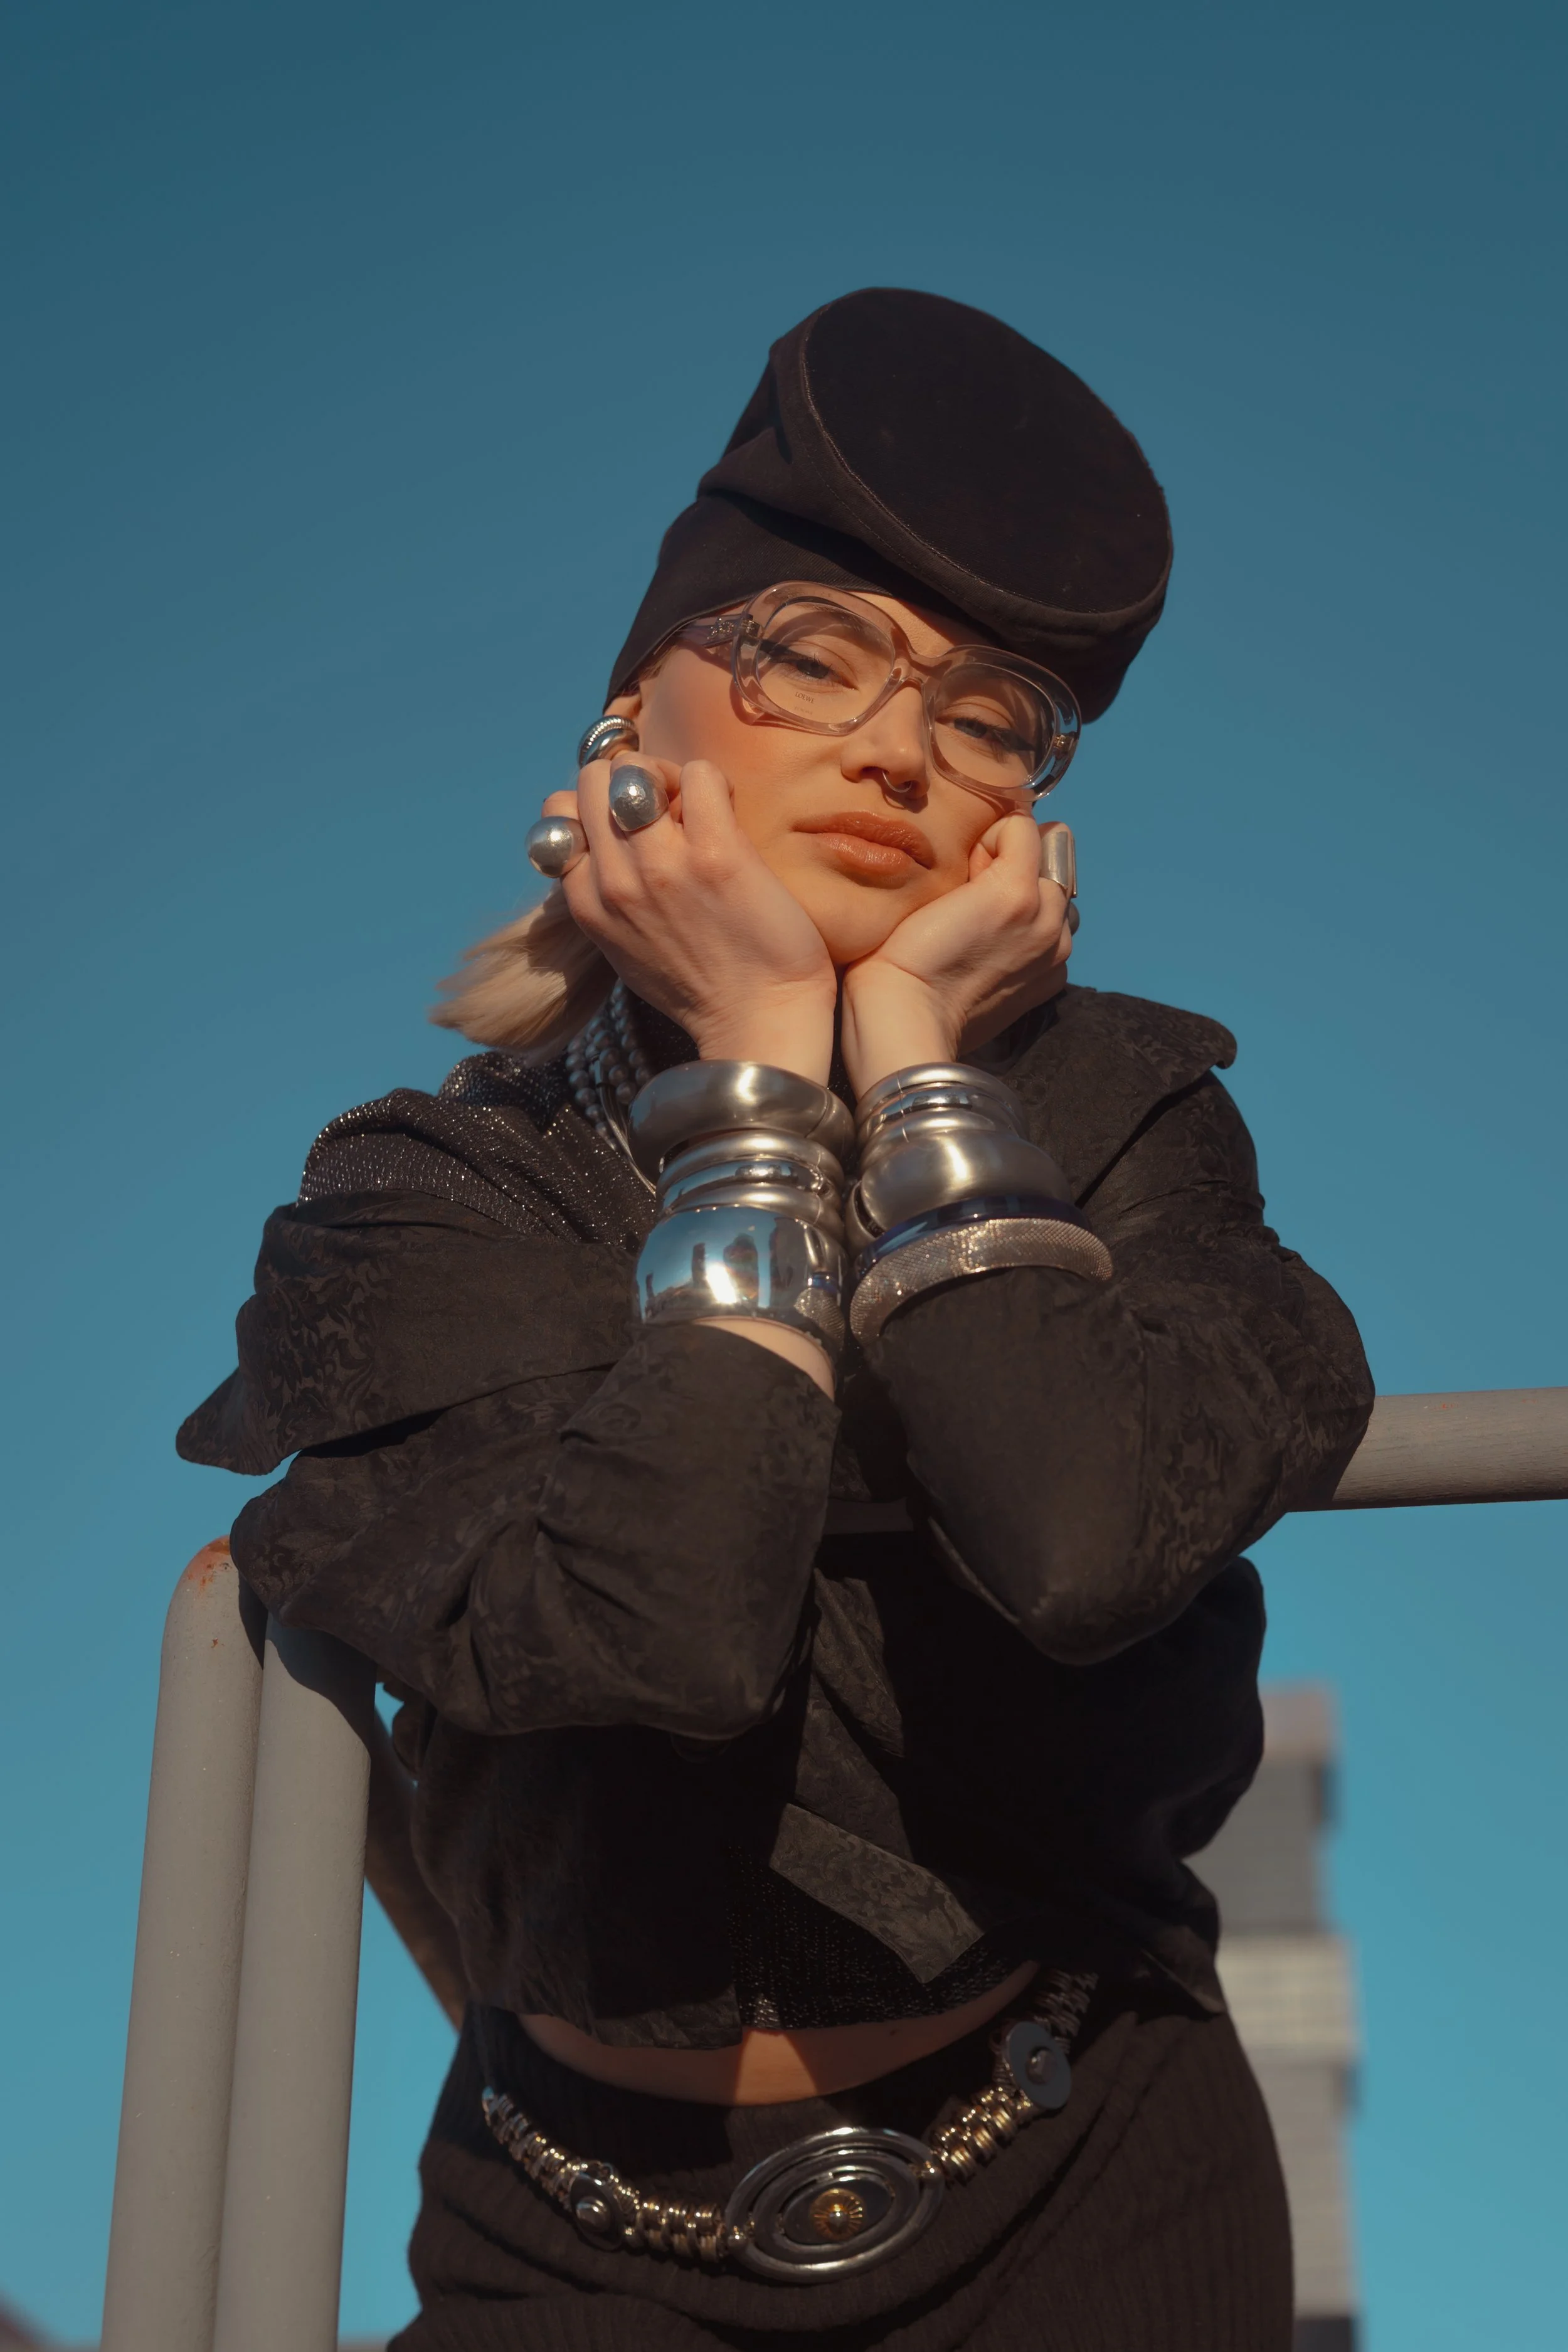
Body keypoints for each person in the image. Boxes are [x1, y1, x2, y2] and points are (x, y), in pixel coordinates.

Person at [180, 288, 1374, 2350]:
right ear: (632, 717)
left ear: (1023, 810)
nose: (898, 745)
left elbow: (1081, 1534)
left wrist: (913, 1073)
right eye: (813, 654)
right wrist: (751, 1070)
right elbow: (654, 1628)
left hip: (1093, 2175)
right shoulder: (432, 1191)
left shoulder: (1124, 1121)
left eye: (988, 711)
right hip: (570, 2239)